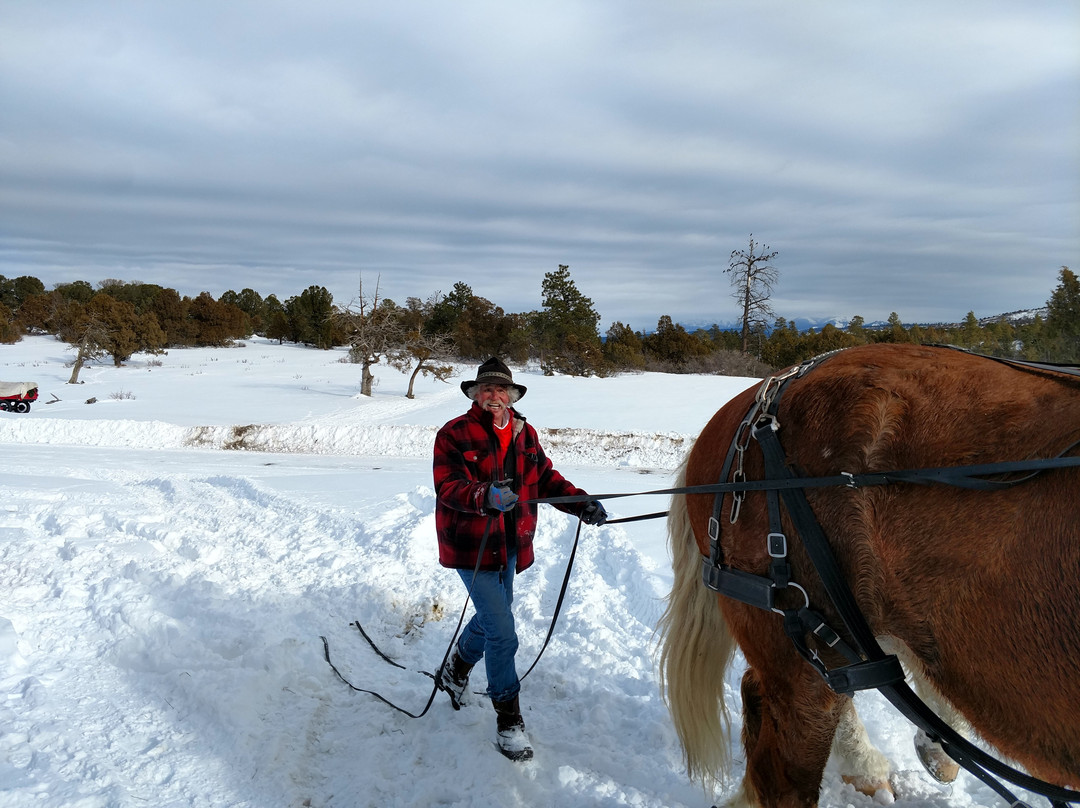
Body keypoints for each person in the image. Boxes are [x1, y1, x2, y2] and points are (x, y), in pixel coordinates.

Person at [432, 357, 607, 761]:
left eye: (501, 390)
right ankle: (508, 721)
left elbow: (545, 477)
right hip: (471, 546)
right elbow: (447, 486)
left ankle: (456, 669)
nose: (494, 396)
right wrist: (483, 496)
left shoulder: (524, 434)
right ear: (476, 395)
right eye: (487, 390)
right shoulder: (453, 433)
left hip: (511, 544)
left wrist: (580, 504)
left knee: (496, 617)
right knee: (503, 632)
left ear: (511, 396)